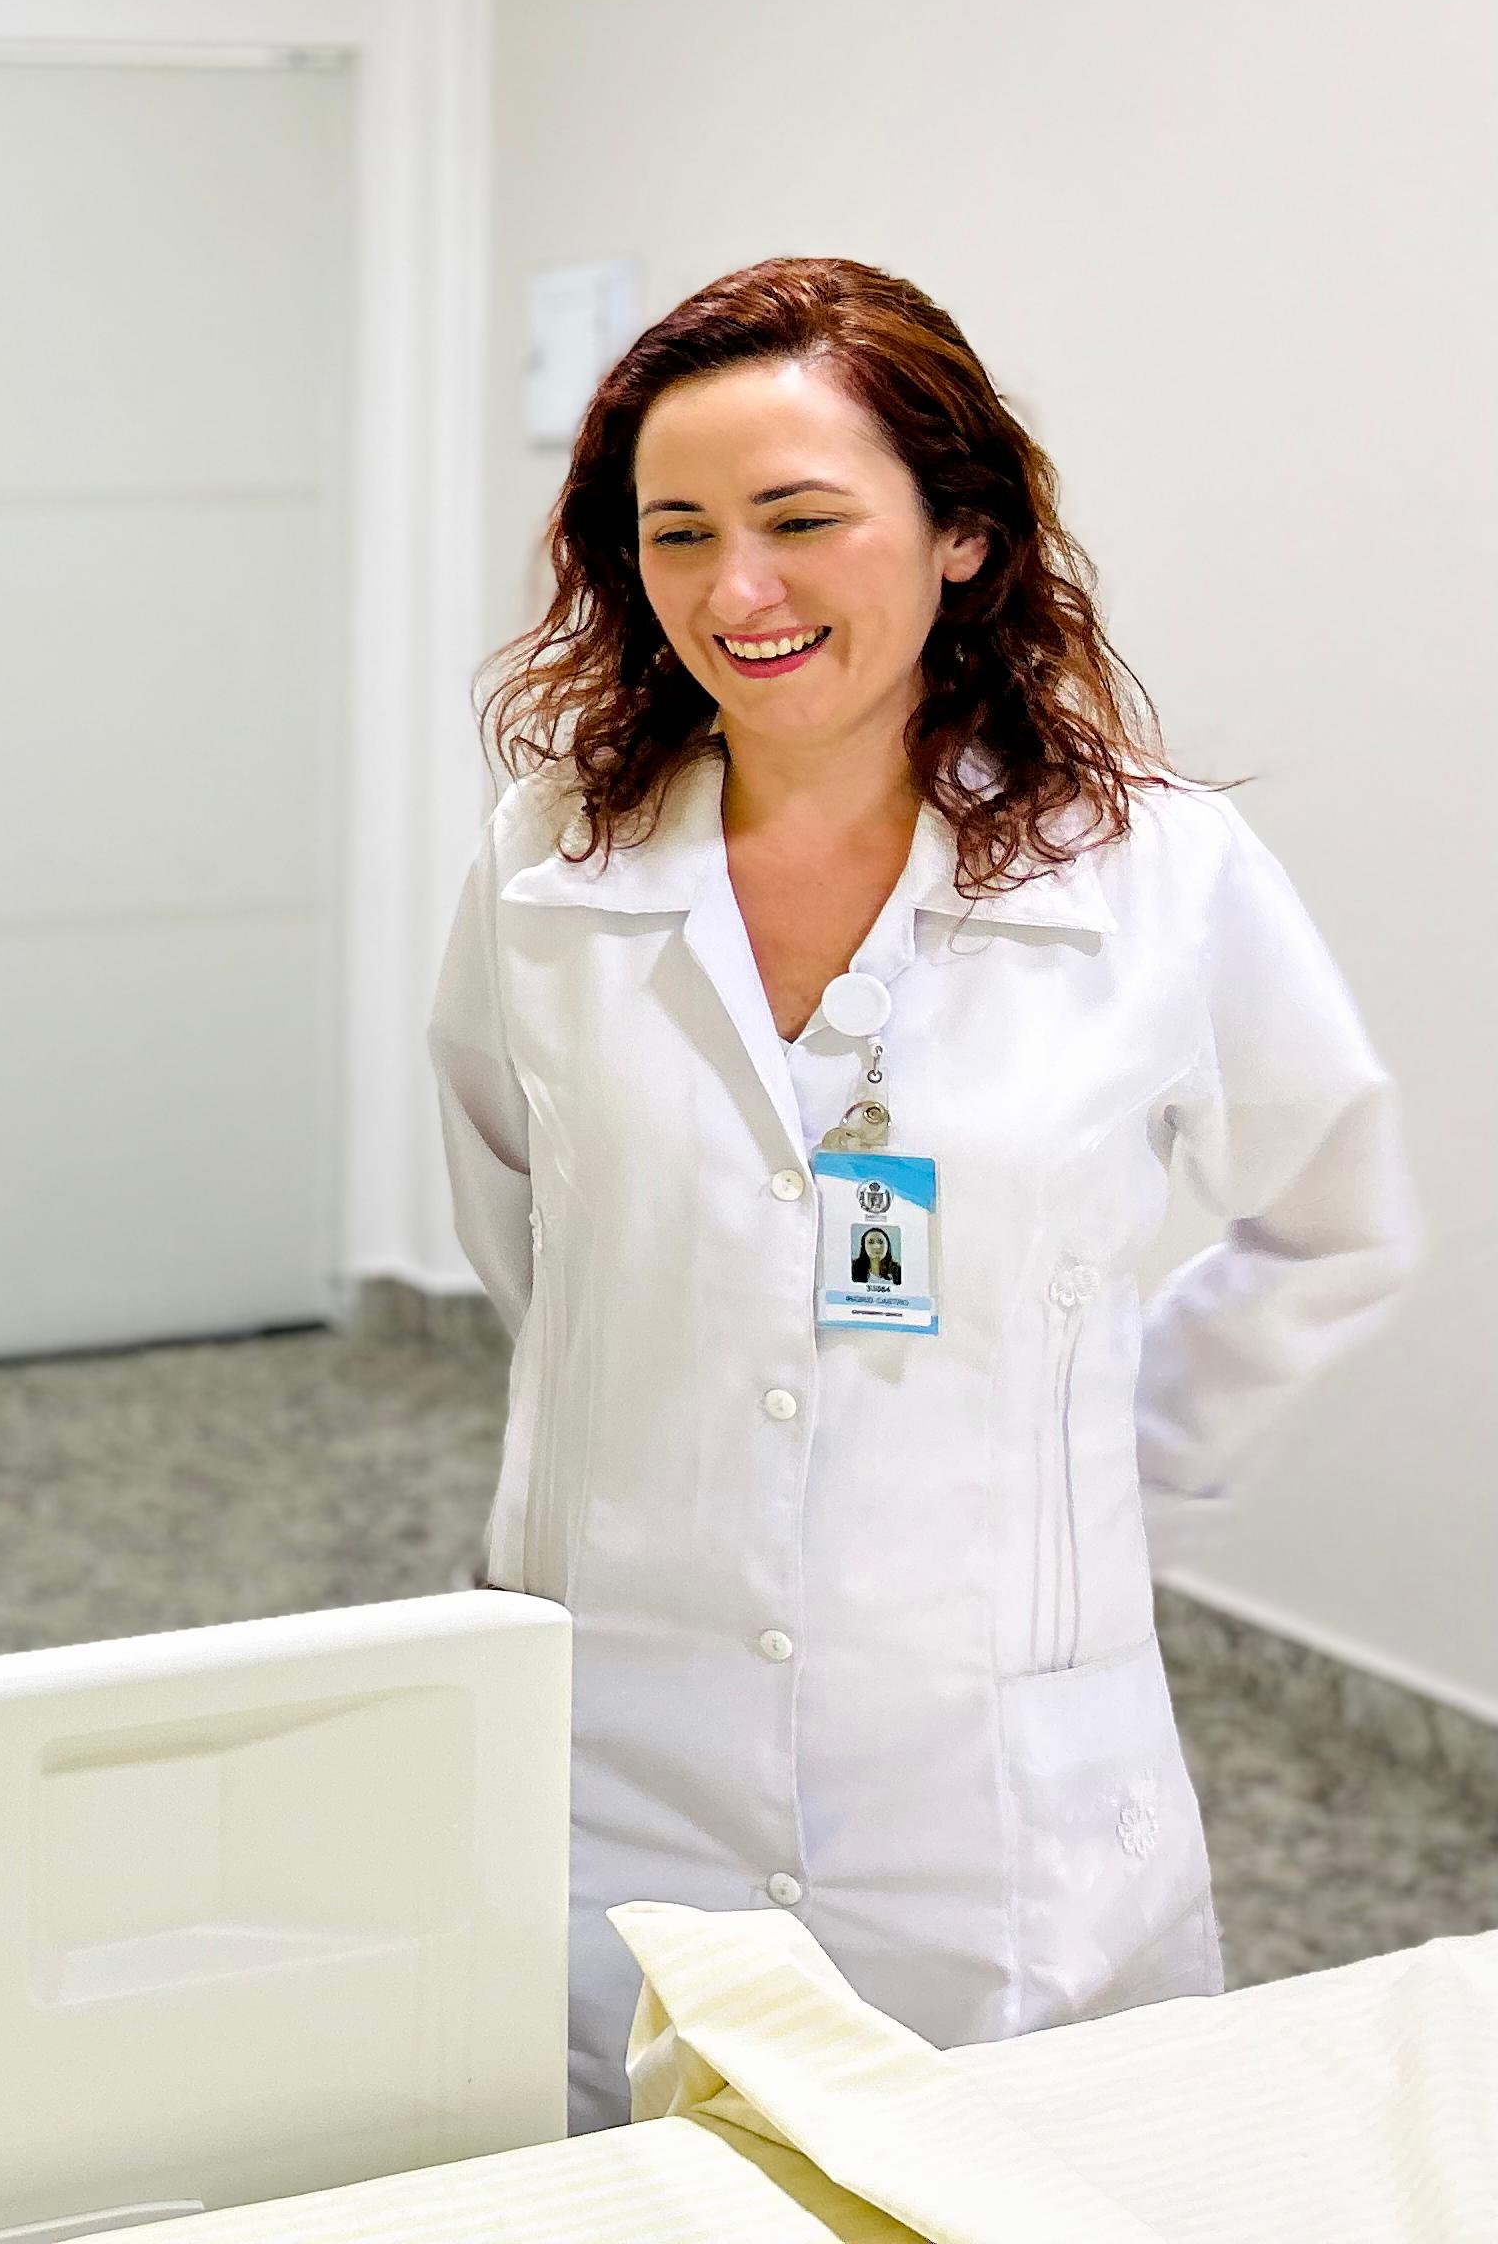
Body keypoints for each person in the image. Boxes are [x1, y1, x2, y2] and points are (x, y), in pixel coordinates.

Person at [433, 257, 1417, 2129]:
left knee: (1021, 2169)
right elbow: (526, 1204)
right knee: (622, 2169)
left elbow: (1331, 1225)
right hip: (620, 1723)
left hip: (995, 1776)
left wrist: (1097, 1488)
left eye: (802, 520)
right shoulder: (554, 860)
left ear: (963, 532)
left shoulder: (1157, 873)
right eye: (677, 532)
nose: (737, 590)